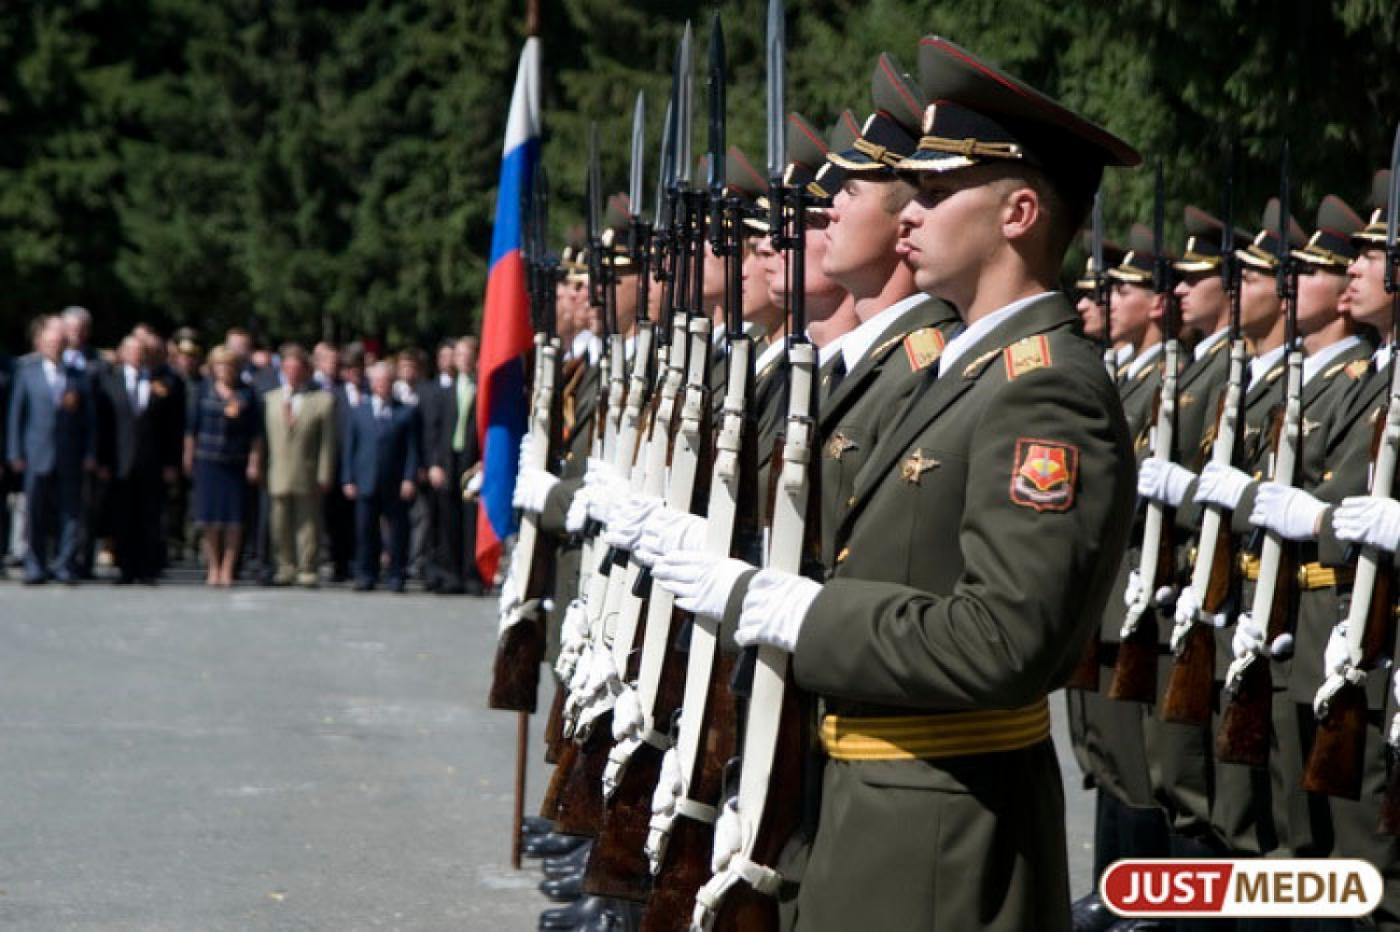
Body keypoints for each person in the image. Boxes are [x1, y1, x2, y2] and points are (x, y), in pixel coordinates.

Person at [649, 36, 1139, 930]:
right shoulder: (965, 369)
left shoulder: (1047, 388)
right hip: (870, 800)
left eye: (942, 192)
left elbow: (1003, 641)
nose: (912, 212)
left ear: (1020, 211)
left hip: (944, 829)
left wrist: (794, 611)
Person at [7, 315, 98, 584]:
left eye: (60, 343)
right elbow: (17, 415)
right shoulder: (27, 372)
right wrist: (15, 452)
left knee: (70, 513)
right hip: (37, 454)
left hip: (70, 455)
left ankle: (64, 564)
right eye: (52, 342)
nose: (56, 347)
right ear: (40, 343)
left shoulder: (78, 376)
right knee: (34, 512)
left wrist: (90, 452)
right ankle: (35, 564)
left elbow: (90, 420)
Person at [98, 334, 184, 584]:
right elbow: (103, 426)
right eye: (132, 351)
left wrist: (172, 463)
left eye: (141, 351)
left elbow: (174, 428)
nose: (137, 356)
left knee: (150, 517)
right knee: (122, 516)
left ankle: (148, 568)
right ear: (122, 353)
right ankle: (125, 567)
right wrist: (102, 461)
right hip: (119, 461)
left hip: (152, 461)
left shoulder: (166, 382)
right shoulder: (108, 381)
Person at [186, 346, 262, 587]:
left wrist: (254, 461)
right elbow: (191, 429)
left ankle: (228, 568)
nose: (224, 370)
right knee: (209, 519)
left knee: (233, 519)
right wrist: (188, 456)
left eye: (228, 365)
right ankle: (213, 567)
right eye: (219, 365)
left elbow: (256, 434)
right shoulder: (202, 391)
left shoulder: (247, 394)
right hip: (207, 460)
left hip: (235, 462)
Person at [261, 343, 336, 587]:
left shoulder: (321, 401)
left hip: (308, 471)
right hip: (278, 472)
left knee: (308, 525)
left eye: (297, 368)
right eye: (287, 368)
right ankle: (285, 567)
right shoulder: (270, 400)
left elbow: (327, 443)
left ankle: (307, 568)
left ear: (306, 371)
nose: (292, 373)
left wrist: (325, 473)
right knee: (279, 523)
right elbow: (262, 441)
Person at [342, 361, 420, 592]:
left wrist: (409, 478)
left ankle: (396, 574)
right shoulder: (359, 412)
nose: (382, 386)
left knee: (397, 531)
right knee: (365, 530)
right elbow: (350, 448)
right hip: (365, 480)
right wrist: (347, 478)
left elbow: (412, 449)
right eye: (377, 381)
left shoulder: (405, 412)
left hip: (394, 482)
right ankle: (366, 573)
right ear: (372, 384)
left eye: (386, 381)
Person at [429, 336, 485, 595]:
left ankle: (471, 574)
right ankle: (449, 573)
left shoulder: (482, 388)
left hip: (471, 460)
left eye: (466, 354)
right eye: (458, 354)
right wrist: (434, 464)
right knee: (447, 519)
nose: (461, 359)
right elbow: (434, 430)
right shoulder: (445, 390)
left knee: (470, 520)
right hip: (448, 458)